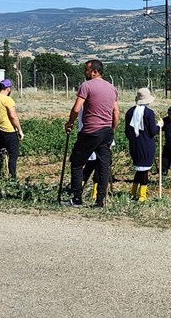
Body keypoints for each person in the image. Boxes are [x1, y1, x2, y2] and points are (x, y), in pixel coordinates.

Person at [63, 60, 120, 208]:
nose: (85, 72)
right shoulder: (112, 88)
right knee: (103, 166)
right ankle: (100, 201)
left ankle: (77, 198)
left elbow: (76, 109)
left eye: (87, 70)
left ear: (94, 71)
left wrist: (70, 123)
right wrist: (112, 130)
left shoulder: (86, 86)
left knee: (76, 163)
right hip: (106, 131)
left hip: (90, 131)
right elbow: (116, 113)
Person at [124, 88, 160, 202]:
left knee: (139, 170)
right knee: (144, 171)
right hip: (146, 145)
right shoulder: (149, 113)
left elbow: (127, 132)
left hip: (134, 145)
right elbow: (153, 131)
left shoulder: (130, 112)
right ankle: (142, 196)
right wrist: (159, 126)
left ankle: (133, 192)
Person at [0, 78, 24, 181]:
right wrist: (19, 130)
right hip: (9, 131)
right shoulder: (7, 100)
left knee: (0, 153)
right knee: (13, 154)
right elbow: (13, 117)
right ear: (8, 89)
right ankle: (12, 179)